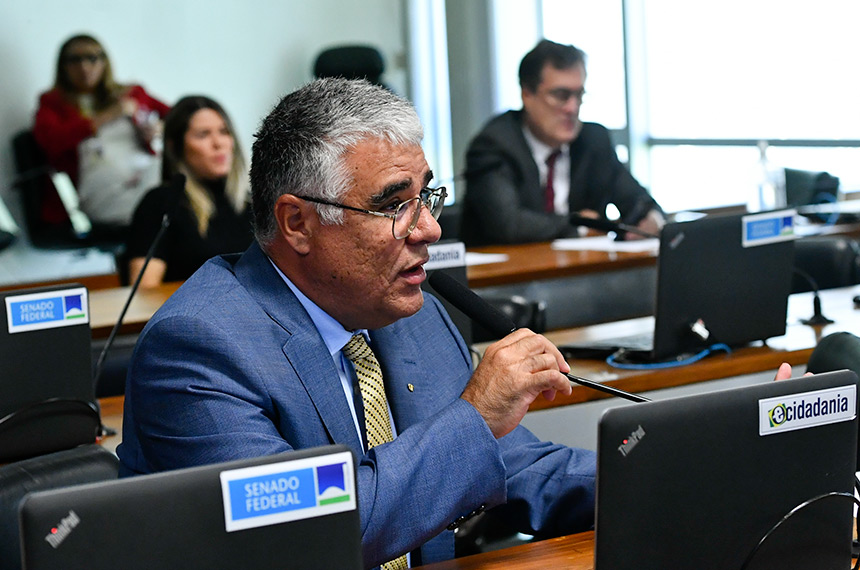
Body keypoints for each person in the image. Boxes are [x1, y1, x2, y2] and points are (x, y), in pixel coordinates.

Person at [117, 78, 598, 568]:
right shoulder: (198, 348)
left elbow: (516, 465)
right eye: (392, 205)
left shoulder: (411, 314)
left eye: (426, 195)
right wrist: (474, 417)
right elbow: (311, 536)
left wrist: (657, 472)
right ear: (298, 223)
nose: (429, 228)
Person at [461, 39, 664, 246]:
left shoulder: (593, 140)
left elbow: (638, 200)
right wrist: (580, 224)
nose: (572, 108)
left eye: (579, 95)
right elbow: (507, 224)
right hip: (506, 274)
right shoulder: (494, 144)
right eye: (561, 95)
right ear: (527, 94)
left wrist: (651, 219)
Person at [32, 34, 169, 237]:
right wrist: (105, 117)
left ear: (105, 61)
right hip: (100, 194)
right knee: (168, 207)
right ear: (63, 66)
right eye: (74, 60)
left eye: (92, 58)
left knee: (174, 174)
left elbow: (182, 118)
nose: (84, 66)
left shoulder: (132, 94)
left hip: (145, 178)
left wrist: (157, 128)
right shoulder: (52, 103)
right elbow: (51, 142)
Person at [125, 95, 252, 288]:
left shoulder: (254, 203)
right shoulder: (161, 203)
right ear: (175, 147)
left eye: (224, 132)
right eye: (203, 134)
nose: (219, 143)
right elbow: (144, 291)